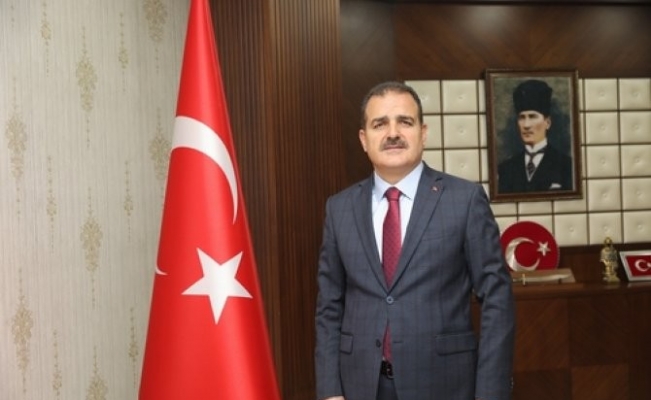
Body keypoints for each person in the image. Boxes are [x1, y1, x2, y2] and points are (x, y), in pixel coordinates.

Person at [315, 81, 515, 400]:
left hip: (446, 385)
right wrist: (330, 390)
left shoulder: (464, 200)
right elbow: (329, 305)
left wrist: (490, 390)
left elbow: (497, 298)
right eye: (380, 124)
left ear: (423, 133)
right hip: (360, 386)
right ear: (364, 139)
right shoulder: (339, 209)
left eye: (404, 122)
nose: (393, 133)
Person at [497, 79, 573, 194]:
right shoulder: (506, 169)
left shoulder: (566, 166)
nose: (526, 125)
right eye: (522, 117)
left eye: (532, 117)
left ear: (547, 123)